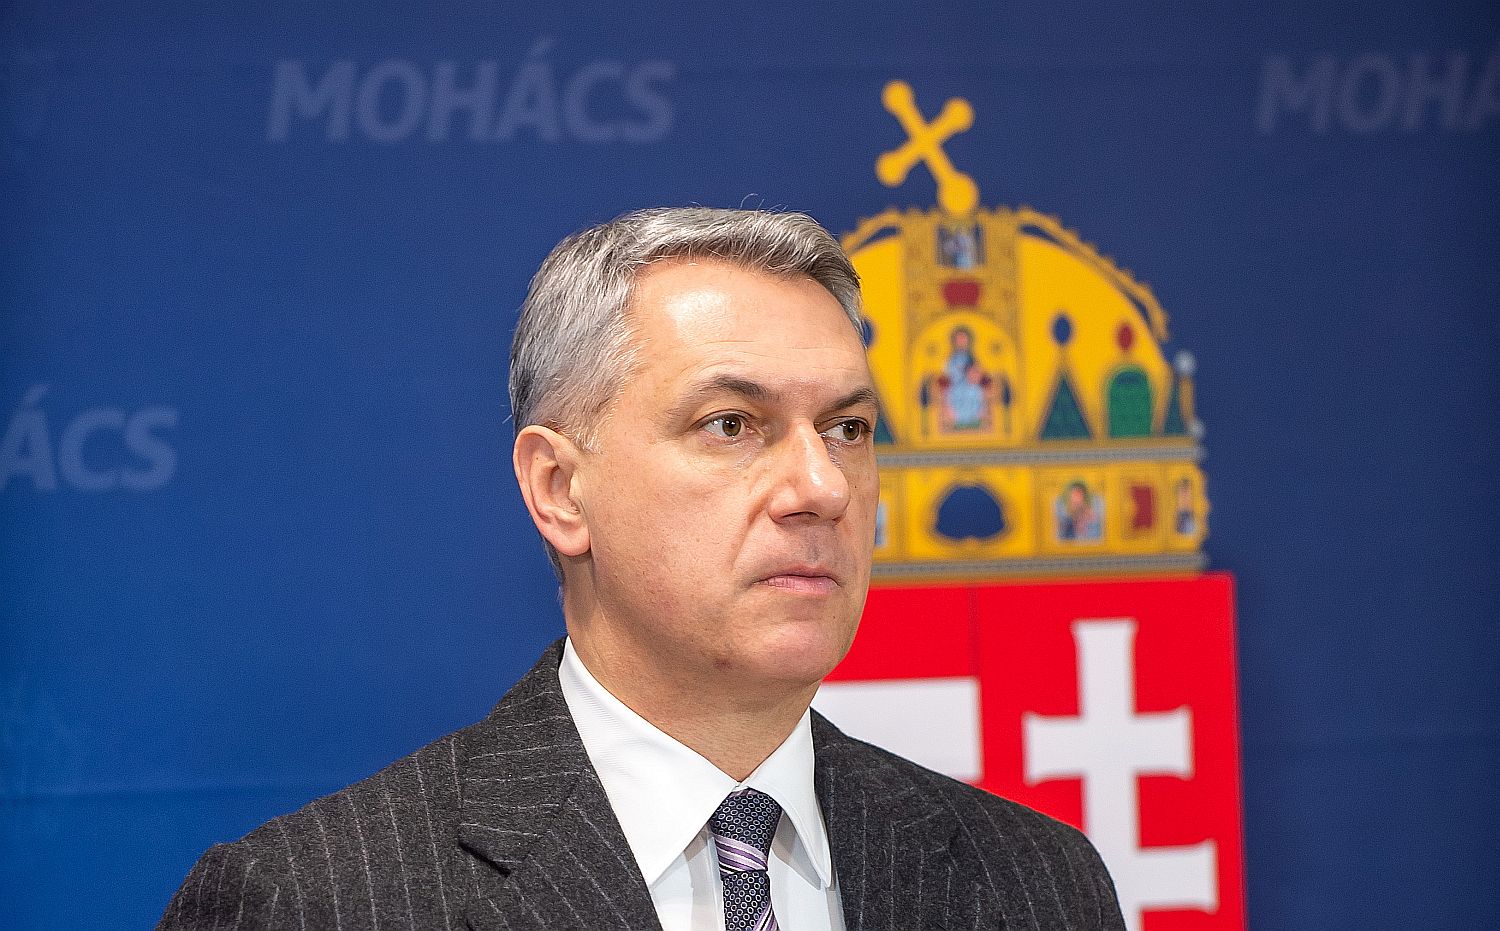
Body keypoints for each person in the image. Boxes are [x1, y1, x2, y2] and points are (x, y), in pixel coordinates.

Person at [159, 208, 1125, 931]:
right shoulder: (316, 901)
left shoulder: (1038, 883)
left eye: (848, 428)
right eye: (731, 424)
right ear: (560, 490)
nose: (822, 486)